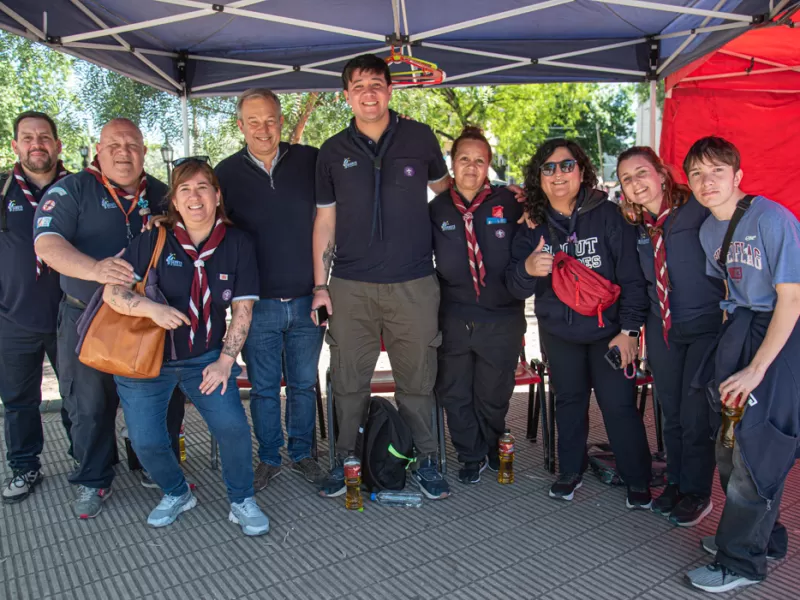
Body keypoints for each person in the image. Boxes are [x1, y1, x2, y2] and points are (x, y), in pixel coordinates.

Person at [102, 158, 269, 535]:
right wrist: (151, 309)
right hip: (148, 361)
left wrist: (227, 361)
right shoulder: (152, 240)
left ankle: (241, 499)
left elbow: (243, 309)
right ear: (174, 201)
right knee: (145, 441)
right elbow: (112, 292)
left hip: (207, 359)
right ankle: (177, 492)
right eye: (185, 190)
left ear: (217, 195)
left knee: (233, 429)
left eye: (202, 188)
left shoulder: (238, 243)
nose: (195, 197)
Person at [311, 54, 452, 500]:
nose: (368, 92)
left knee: (419, 380)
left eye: (376, 83)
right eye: (358, 85)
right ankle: (345, 459)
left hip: (414, 284)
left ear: (390, 90)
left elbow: (449, 196)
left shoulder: (420, 137)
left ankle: (426, 459)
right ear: (346, 95)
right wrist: (320, 285)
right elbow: (324, 222)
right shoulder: (332, 151)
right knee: (349, 380)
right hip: (350, 287)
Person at [33, 118, 170, 519]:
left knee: (153, 401)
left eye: (132, 145)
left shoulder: (162, 193)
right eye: (114, 145)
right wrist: (96, 270)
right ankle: (94, 479)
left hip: (145, 321)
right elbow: (47, 244)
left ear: (144, 151)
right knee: (89, 405)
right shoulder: (72, 189)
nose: (123, 152)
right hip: (85, 317)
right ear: (99, 148)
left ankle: (149, 465)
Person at [506, 139, 653, 508]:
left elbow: (634, 280)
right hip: (560, 333)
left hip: (611, 333)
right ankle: (570, 471)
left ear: (582, 170)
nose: (559, 174)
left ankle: (637, 477)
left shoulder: (609, 215)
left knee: (618, 405)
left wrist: (630, 331)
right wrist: (526, 270)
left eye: (567, 165)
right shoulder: (531, 224)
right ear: (538, 177)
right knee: (568, 403)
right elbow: (512, 283)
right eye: (549, 168)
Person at [683, 137, 800, 593]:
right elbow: (731, 297)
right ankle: (761, 538)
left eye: (716, 171)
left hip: (780, 337)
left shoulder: (772, 219)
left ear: (738, 176)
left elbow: (791, 301)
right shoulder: (709, 230)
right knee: (730, 441)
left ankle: (741, 563)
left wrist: (757, 368)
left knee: (757, 449)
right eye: (696, 174)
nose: (706, 182)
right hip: (741, 331)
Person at [215, 88, 325, 491]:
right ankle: (268, 457)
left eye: (270, 120)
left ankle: (302, 454)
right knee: (263, 389)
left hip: (307, 299)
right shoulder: (223, 174)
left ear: (282, 121)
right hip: (255, 305)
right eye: (254, 121)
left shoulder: (310, 161)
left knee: (302, 383)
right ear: (240, 125)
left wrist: (323, 286)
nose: (263, 129)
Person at [617, 146, 724, 526]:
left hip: (705, 326)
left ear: (661, 174)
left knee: (697, 415)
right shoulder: (637, 225)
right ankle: (676, 483)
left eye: (641, 173)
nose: (635, 183)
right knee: (672, 414)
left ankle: (698, 492)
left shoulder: (697, 208)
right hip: (662, 328)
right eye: (627, 178)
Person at [430, 126, 525, 484]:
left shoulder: (512, 202)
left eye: (479, 160)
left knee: (492, 393)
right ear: (452, 164)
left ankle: (488, 445)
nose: (471, 167)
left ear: (488, 166)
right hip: (454, 315)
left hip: (501, 317)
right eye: (464, 159)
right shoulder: (436, 208)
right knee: (454, 391)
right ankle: (470, 455)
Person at [0, 111, 73, 503]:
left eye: (44, 137)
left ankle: (86, 462)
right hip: (13, 317)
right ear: (15, 146)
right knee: (17, 401)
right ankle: (24, 466)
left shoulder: (78, 189)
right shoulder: (2, 190)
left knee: (79, 398)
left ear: (57, 145)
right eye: (28, 138)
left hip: (71, 315)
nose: (37, 144)